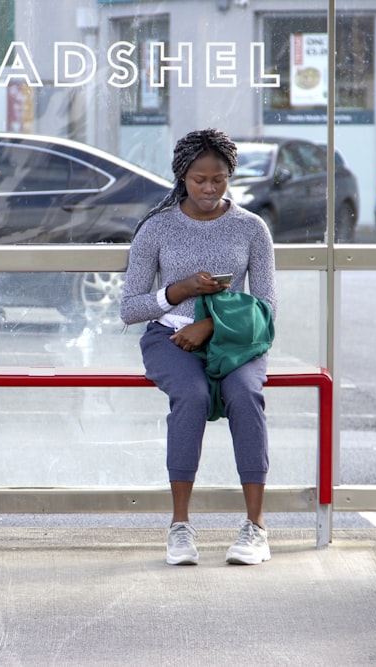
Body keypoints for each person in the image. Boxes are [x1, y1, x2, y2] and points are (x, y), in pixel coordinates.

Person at [120, 128, 277, 566]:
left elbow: (267, 306)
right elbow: (130, 308)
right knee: (190, 395)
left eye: (219, 179)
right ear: (181, 177)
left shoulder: (251, 228)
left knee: (244, 395)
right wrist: (178, 291)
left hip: (238, 340)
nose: (209, 188)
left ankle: (256, 527)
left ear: (230, 176)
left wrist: (209, 324)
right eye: (198, 179)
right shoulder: (157, 228)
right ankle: (180, 527)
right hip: (168, 338)